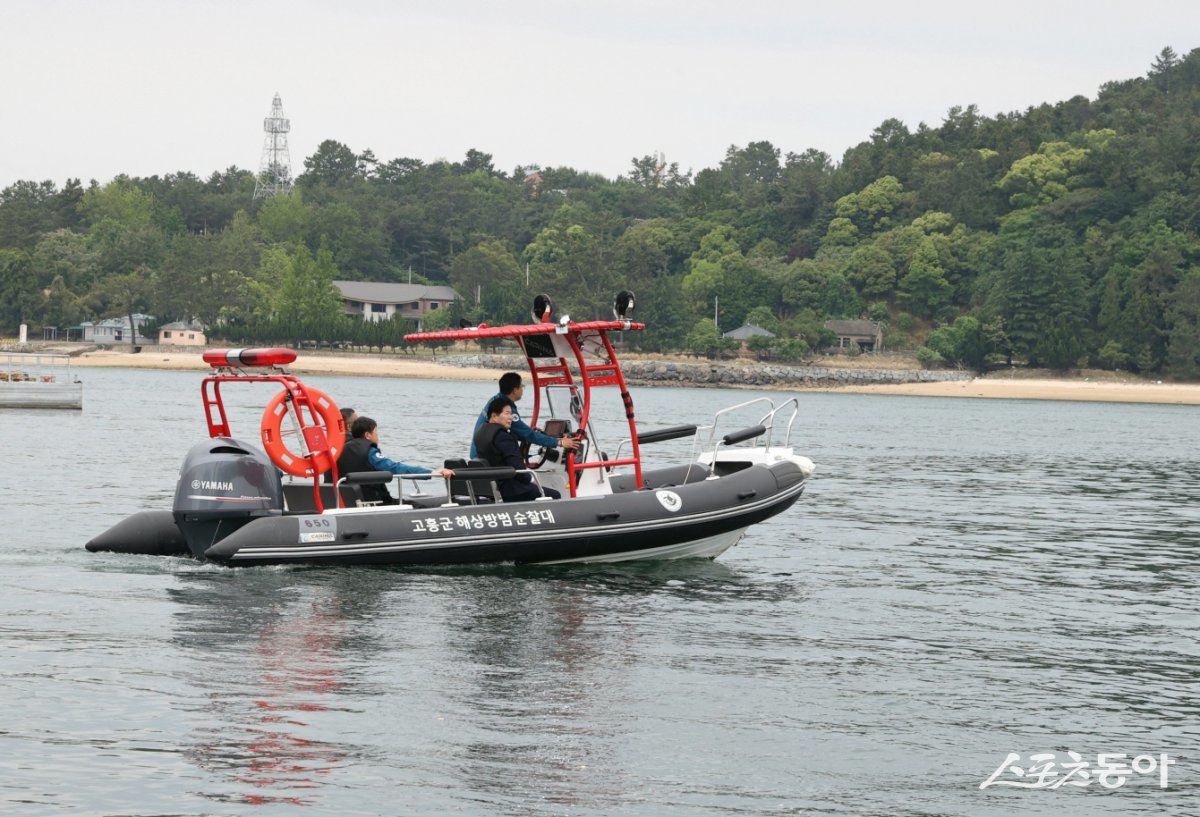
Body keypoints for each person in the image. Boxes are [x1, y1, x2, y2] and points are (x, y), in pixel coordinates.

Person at [336, 416, 454, 504]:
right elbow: (395, 468)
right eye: (376, 432)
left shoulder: (340, 449)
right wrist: (432, 473)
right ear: (368, 435)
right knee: (417, 507)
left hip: (349, 500)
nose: (377, 435)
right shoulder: (369, 452)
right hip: (373, 502)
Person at [469, 372, 580, 459]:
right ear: (515, 390)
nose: (522, 389)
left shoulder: (496, 400)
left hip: (478, 454)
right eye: (521, 386)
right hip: (485, 457)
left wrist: (527, 433)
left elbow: (520, 432)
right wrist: (559, 442)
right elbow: (528, 435)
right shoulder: (505, 408)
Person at [472, 397, 561, 502]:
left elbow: (499, 456)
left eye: (511, 414)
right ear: (494, 416)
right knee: (555, 494)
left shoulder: (480, 433)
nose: (510, 418)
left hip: (495, 486)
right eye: (507, 413)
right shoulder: (503, 436)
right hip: (512, 490)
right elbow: (516, 466)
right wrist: (530, 479)